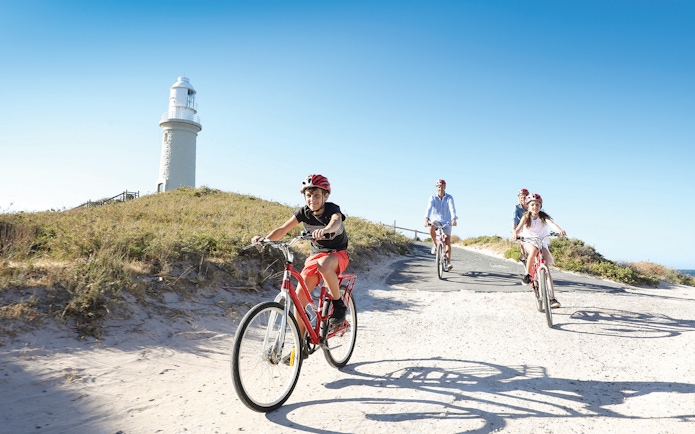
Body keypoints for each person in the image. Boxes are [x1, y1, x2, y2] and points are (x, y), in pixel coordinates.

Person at [252, 174, 349, 350]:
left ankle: (338, 304)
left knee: (324, 265)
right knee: (299, 297)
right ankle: (301, 342)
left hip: (337, 253)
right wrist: (265, 240)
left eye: (317, 195)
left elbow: (336, 222)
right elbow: (283, 229)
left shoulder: (332, 209)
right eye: (308, 196)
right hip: (316, 255)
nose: (312, 199)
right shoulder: (303, 212)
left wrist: (326, 230)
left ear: (326, 196)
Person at [513, 193, 566, 308]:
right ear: (528, 206)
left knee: (546, 267)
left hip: (542, 241)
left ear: (540, 206)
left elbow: (552, 224)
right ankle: (527, 275)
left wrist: (560, 230)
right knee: (533, 252)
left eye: (537, 204)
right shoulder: (526, 217)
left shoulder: (543, 217)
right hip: (529, 240)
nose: (535, 207)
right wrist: (515, 234)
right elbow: (518, 228)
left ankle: (552, 298)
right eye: (532, 205)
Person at [424, 179, 458, 271]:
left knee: (447, 241)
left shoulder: (449, 197)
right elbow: (429, 208)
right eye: (438, 187)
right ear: (436, 188)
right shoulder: (433, 197)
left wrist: (454, 219)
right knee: (431, 227)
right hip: (436, 220)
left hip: (447, 221)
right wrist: (426, 218)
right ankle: (436, 244)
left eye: (442, 187)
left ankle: (448, 262)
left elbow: (452, 208)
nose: (440, 188)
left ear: (445, 187)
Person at [513, 188, 529, 262]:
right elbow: (514, 219)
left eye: (525, 197)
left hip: (531, 227)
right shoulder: (517, 208)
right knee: (522, 240)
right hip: (521, 227)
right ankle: (523, 255)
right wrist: (514, 231)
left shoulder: (532, 206)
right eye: (521, 197)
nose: (523, 199)